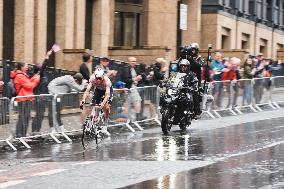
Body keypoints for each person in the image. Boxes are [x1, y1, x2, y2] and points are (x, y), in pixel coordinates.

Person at [10, 62, 40, 137]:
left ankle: (22, 135)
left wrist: (33, 78)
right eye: (26, 66)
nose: (28, 67)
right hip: (23, 99)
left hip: (26, 98)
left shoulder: (22, 75)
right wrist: (36, 80)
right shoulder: (20, 76)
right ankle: (20, 135)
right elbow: (30, 86)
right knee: (23, 118)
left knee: (25, 117)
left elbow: (28, 83)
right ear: (22, 67)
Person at [31, 50, 55, 134]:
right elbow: (44, 65)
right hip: (39, 99)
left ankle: (37, 131)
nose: (43, 68)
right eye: (41, 67)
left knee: (40, 115)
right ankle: (34, 131)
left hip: (43, 99)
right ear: (38, 70)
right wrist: (47, 56)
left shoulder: (41, 75)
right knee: (38, 115)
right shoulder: (38, 75)